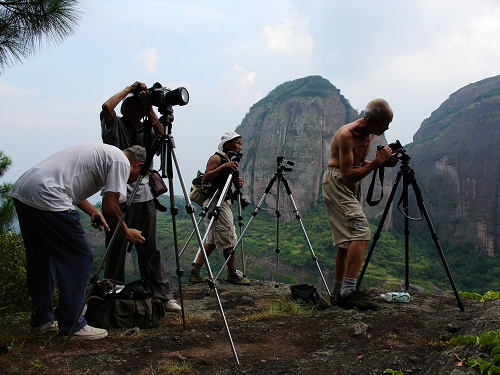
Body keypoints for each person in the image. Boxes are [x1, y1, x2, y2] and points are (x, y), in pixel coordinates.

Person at [9, 143, 147, 339]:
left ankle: (43, 320)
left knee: (41, 258)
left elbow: (69, 188)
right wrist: (126, 232)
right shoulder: (121, 162)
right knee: (79, 257)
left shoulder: (105, 153)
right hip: (47, 194)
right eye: (137, 179)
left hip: (25, 189)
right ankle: (72, 324)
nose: (131, 182)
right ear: (138, 166)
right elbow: (111, 206)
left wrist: (92, 211)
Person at [100, 81, 181, 313]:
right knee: (114, 248)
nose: (138, 109)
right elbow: (107, 107)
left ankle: (162, 295)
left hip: (144, 195)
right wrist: (128, 90)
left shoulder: (147, 127)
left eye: (140, 106)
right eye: (135, 106)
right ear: (126, 109)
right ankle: (110, 295)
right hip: (118, 195)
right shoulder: (115, 126)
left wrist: (151, 111)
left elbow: (164, 136)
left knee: (149, 248)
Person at [322, 99, 398, 311]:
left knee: (347, 242)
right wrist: (376, 163)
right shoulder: (346, 135)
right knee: (361, 233)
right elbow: (346, 176)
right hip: (338, 182)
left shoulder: (370, 134)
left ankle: (338, 291)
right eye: (384, 124)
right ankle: (348, 292)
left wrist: (381, 162)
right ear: (370, 120)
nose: (386, 128)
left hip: (352, 182)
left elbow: (356, 163)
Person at [188, 131, 250, 285]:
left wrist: (237, 183)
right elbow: (206, 177)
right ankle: (232, 273)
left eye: (241, 143)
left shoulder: (231, 160)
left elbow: (229, 183)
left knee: (212, 240)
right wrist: (224, 167)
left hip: (224, 200)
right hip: (216, 202)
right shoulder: (217, 157)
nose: (240, 146)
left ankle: (195, 272)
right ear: (227, 143)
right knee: (230, 238)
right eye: (237, 143)